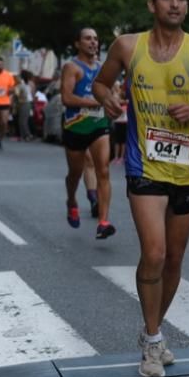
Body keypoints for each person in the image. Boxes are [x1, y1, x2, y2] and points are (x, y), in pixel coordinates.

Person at [93, 0, 189, 377]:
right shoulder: (127, 46)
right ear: (151, 4)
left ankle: (151, 331)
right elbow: (100, 81)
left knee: (174, 259)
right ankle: (154, 339)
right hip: (145, 166)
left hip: (187, 169)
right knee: (153, 253)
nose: (175, 4)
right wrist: (106, 96)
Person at [61, 27, 116, 239]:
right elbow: (66, 98)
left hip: (98, 125)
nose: (93, 42)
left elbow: (111, 93)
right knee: (75, 173)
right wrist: (93, 102)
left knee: (103, 170)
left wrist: (113, 101)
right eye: (87, 39)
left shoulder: (104, 69)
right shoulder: (72, 67)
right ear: (78, 43)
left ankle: (103, 221)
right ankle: (71, 200)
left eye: (95, 38)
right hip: (75, 127)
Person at [111, 79, 128, 164]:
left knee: (123, 141)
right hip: (118, 121)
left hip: (125, 121)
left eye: (118, 86)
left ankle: (121, 157)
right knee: (117, 141)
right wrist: (125, 102)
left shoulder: (124, 94)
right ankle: (116, 156)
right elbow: (116, 101)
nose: (117, 88)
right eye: (116, 86)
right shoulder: (115, 95)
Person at [14, 70, 34, 141]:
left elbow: (18, 94)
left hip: (24, 103)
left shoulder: (22, 85)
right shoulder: (27, 84)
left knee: (23, 121)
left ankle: (28, 135)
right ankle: (24, 136)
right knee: (22, 120)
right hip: (27, 103)